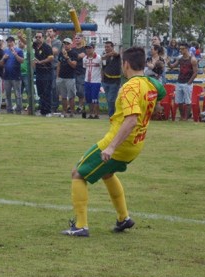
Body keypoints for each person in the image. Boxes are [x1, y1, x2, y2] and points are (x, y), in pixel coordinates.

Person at [62, 46, 165, 237]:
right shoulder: (151, 83)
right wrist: (157, 105)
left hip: (120, 143)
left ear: (125, 64)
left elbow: (131, 120)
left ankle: (81, 226)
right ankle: (123, 218)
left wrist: (111, 147)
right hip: (136, 144)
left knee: (77, 173)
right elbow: (161, 92)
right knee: (107, 173)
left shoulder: (130, 87)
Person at [167, 42, 198, 121]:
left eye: (182, 49)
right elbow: (172, 66)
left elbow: (195, 73)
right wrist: (168, 62)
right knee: (179, 101)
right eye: (180, 49)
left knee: (188, 101)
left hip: (187, 82)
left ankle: (186, 118)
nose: (180, 50)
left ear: (187, 49)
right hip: (179, 81)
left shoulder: (193, 59)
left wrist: (189, 82)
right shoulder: (180, 58)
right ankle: (182, 116)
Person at [32, 31, 54, 117]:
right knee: (40, 92)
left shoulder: (47, 47)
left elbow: (51, 58)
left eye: (39, 37)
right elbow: (26, 43)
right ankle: (42, 110)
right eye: (36, 37)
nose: (38, 38)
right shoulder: (34, 46)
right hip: (38, 72)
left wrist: (41, 62)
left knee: (47, 92)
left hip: (47, 72)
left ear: (43, 38)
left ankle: (48, 111)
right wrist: (20, 37)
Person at [56, 37, 78, 117]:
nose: (66, 45)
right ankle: (64, 112)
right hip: (61, 77)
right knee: (63, 96)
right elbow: (59, 65)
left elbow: (74, 65)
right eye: (64, 43)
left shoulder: (74, 53)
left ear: (71, 44)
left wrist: (67, 58)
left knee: (71, 96)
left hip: (70, 77)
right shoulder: (61, 53)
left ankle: (72, 112)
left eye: (68, 44)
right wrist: (57, 76)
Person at [3, 36, 24, 114]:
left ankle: (18, 110)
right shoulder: (5, 51)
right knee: (7, 94)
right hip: (7, 76)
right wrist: (4, 58)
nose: (9, 43)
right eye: (8, 42)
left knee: (17, 94)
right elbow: (2, 62)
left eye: (11, 42)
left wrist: (15, 54)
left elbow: (22, 61)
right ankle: (9, 110)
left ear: (14, 42)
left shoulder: (19, 50)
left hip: (16, 76)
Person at [101, 41, 122, 118]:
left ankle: (111, 116)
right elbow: (103, 67)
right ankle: (113, 115)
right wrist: (102, 79)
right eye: (105, 47)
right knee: (109, 99)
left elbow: (117, 54)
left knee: (111, 99)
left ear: (112, 47)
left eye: (108, 47)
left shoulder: (116, 56)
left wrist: (108, 55)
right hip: (106, 81)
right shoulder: (105, 56)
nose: (106, 48)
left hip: (114, 81)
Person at [82, 43, 102, 119]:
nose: (88, 49)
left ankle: (96, 114)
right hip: (87, 80)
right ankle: (90, 113)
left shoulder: (99, 58)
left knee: (95, 98)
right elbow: (85, 68)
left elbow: (102, 68)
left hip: (96, 81)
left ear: (94, 48)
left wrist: (101, 78)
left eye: (90, 48)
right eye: (87, 48)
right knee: (88, 98)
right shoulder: (85, 58)